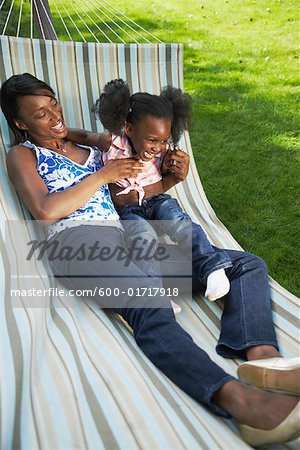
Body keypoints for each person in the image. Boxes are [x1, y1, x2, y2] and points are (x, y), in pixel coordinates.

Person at [1, 73, 299, 448]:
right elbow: (45, 210)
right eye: (40, 114)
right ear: (20, 122)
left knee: (244, 266)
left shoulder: (94, 147)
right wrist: (104, 175)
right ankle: (237, 399)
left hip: (127, 239)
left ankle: (264, 359)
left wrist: (171, 181)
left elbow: (131, 198)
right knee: (150, 302)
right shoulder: (23, 154)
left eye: (54, 103)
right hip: (78, 244)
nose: (54, 115)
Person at [70, 79, 232, 305]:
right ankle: (155, 292)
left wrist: (172, 166)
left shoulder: (163, 152)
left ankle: (213, 268)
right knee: (142, 238)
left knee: (179, 222)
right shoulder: (112, 143)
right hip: (128, 210)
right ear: (129, 129)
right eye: (151, 140)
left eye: (164, 140)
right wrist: (61, 134)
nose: (157, 147)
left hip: (157, 200)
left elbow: (166, 177)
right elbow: (86, 137)